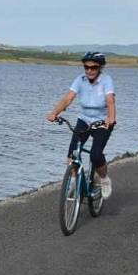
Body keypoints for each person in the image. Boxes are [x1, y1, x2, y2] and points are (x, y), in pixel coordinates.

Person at [46, 52, 116, 198]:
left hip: (102, 122)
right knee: (72, 154)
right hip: (84, 120)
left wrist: (111, 117)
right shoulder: (80, 79)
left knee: (96, 155)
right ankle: (74, 181)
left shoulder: (106, 80)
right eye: (86, 67)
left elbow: (110, 100)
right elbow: (68, 99)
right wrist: (55, 113)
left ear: (100, 68)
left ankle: (104, 179)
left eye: (94, 67)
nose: (90, 70)